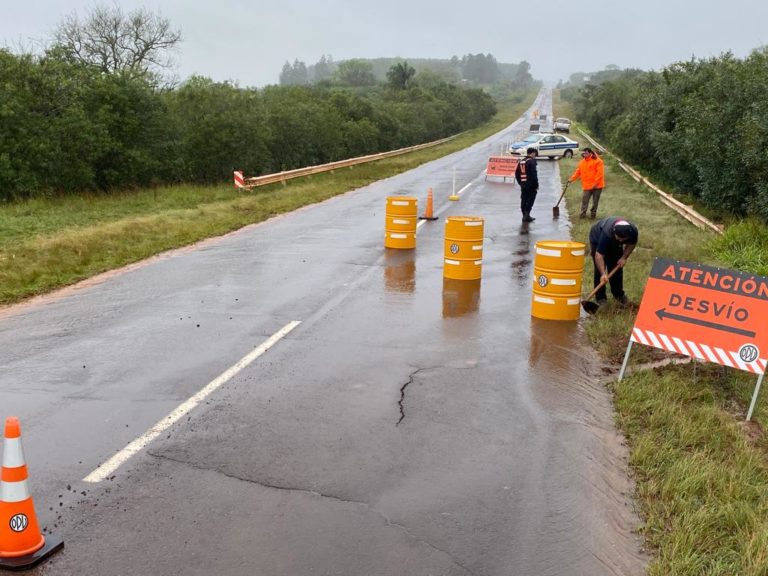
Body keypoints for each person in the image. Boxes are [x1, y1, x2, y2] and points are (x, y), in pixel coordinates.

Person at [588, 216, 638, 305]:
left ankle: (619, 295)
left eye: (623, 239)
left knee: (616, 267)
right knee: (599, 270)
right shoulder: (607, 234)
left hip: (613, 240)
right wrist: (603, 274)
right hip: (596, 237)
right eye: (619, 238)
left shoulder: (633, 231)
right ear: (614, 233)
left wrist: (624, 257)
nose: (621, 241)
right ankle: (601, 298)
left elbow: (631, 244)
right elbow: (599, 255)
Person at [569, 147, 604, 219]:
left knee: (595, 202)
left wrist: (595, 183)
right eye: (584, 153)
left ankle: (593, 215)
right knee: (585, 200)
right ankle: (582, 215)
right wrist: (571, 179)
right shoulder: (582, 162)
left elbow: (600, 173)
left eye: (586, 153)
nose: (585, 155)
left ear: (590, 153)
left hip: (597, 186)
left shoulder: (598, 161)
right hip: (587, 186)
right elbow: (578, 172)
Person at [514, 147, 539, 222]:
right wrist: (536, 185)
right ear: (532, 153)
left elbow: (517, 174)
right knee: (530, 200)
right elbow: (533, 175)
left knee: (524, 199)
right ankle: (526, 215)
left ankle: (524, 215)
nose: (535, 156)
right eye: (535, 154)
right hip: (531, 185)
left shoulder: (522, 161)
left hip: (523, 185)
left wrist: (520, 183)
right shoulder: (531, 161)